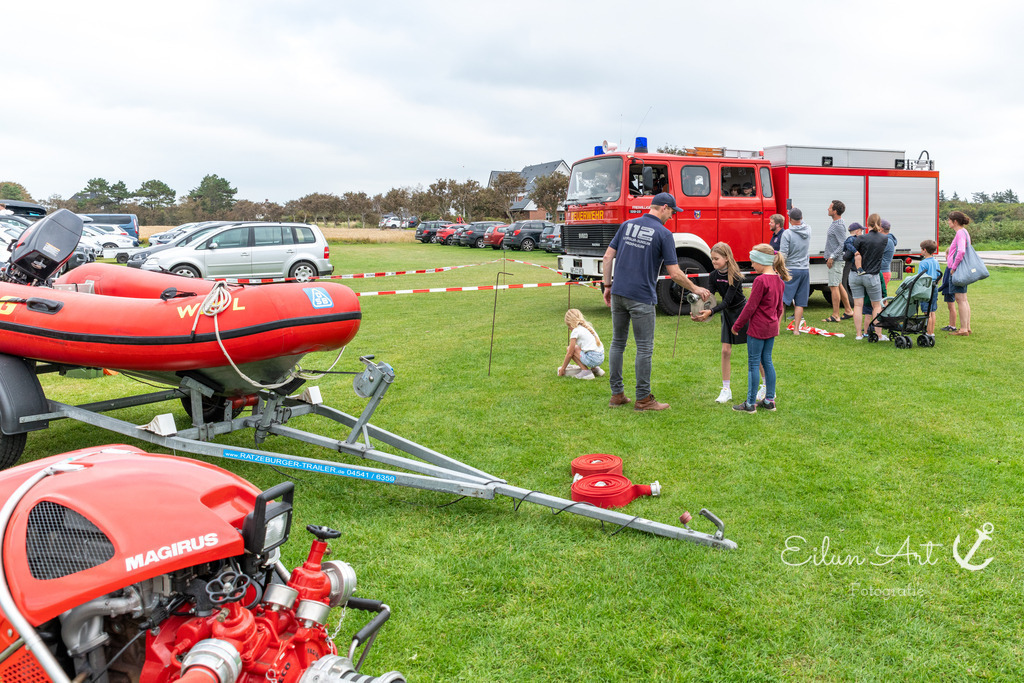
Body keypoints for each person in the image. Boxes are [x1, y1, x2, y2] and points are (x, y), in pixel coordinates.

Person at [602, 192, 711, 411]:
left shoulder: (626, 225)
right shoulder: (663, 233)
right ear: (663, 207)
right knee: (644, 348)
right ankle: (643, 399)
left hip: (618, 293)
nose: (672, 216)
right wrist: (695, 287)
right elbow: (675, 273)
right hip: (641, 297)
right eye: (672, 211)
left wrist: (607, 286)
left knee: (618, 342)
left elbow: (607, 257)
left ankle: (617, 395)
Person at [692, 242, 765, 404]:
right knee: (725, 351)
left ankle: (765, 386)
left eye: (716, 258)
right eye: (712, 259)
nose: (714, 262)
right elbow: (710, 296)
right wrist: (698, 310)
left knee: (754, 350)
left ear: (726, 258)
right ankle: (726, 390)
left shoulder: (736, 275)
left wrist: (710, 312)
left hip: (742, 313)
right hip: (727, 315)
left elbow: (727, 301)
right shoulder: (713, 275)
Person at [731, 244, 789, 413]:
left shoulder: (760, 280)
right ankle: (770, 400)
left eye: (753, 262)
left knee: (753, 364)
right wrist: (775, 323)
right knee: (768, 361)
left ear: (762, 261)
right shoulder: (778, 280)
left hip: (757, 329)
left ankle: (750, 404)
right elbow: (779, 308)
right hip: (771, 328)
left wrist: (737, 325)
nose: (752, 265)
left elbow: (750, 307)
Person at [850, 218, 890, 340]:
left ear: (868, 224)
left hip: (855, 274)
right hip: (872, 275)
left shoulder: (860, 238)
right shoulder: (884, 239)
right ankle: (878, 334)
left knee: (857, 305)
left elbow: (848, 255)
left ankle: (858, 334)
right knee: (877, 305)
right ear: (879, 224)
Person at [779, 207, 811, 334]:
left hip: (790, 269)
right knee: (800, 302)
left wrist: (779, 268)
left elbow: (784, 254)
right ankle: (796, 330)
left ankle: (776, 329)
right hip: (804, 270)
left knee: (782, 301)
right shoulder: (808, 230)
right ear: (801, 218)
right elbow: (803, 222)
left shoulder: (787, 233)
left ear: (790, 219)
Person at [822, 200, 854, 322]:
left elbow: (842, 244)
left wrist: (832, 257)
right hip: (835, 259)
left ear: (835, 211)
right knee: (839, 285)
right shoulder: (836, 223)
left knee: (833, 286)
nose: (828, 209)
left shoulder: (839, 225)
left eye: (830, 208)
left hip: (836, 260)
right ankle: (848, 311)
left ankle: (835, 315)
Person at [944, 210, 973, 336]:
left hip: (958, 269)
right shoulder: (964, 232)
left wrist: (954, 267)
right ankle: (967, 327)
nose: (948, 222)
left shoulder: (960, 233)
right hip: (962, 268)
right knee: (964, 299)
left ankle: (963, 329)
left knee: (960, 299)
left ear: (955, 221)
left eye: (949, 220)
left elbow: (961, 251)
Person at [557, 309, 606, 380]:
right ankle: (596, 370)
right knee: (579, 347)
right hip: (600, 357)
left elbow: (570, 354)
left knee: (570, 349)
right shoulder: (588, 327)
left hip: (592, 359)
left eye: (568, 326)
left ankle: (586, 372)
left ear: (570, 323)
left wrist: (562, 369)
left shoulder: (575, 331)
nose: (569, 328)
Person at [917, 240, 941, 339]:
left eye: (921, 249)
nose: (921, 251)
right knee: (932, 311)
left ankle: (928, 332)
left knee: (927, 312)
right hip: (934, 286)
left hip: (926, 288)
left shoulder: (923, 263)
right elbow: (939, 275)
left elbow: (920, 277)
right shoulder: (935, 262)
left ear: (925, 250)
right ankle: (932, 332)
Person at [879, 219, 897, 287]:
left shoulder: (887, 241)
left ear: (881, 229)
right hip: (882, 271)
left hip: (882, 272)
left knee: (880, 295)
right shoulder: (886, 240)